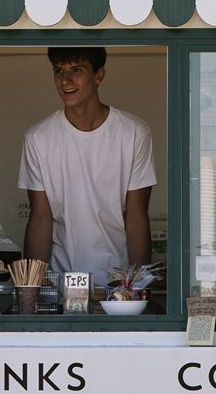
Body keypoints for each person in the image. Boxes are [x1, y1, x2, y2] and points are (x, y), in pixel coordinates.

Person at [19, 47, 156, 297]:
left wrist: (135, 288)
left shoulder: (133, 132)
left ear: (99, 75)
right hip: (62, 284)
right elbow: (40, 219)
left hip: (118, 285)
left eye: (76, 70)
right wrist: (33, 292)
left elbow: (136, 215)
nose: (65, 80)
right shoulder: (38, 138)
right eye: (58, 71)